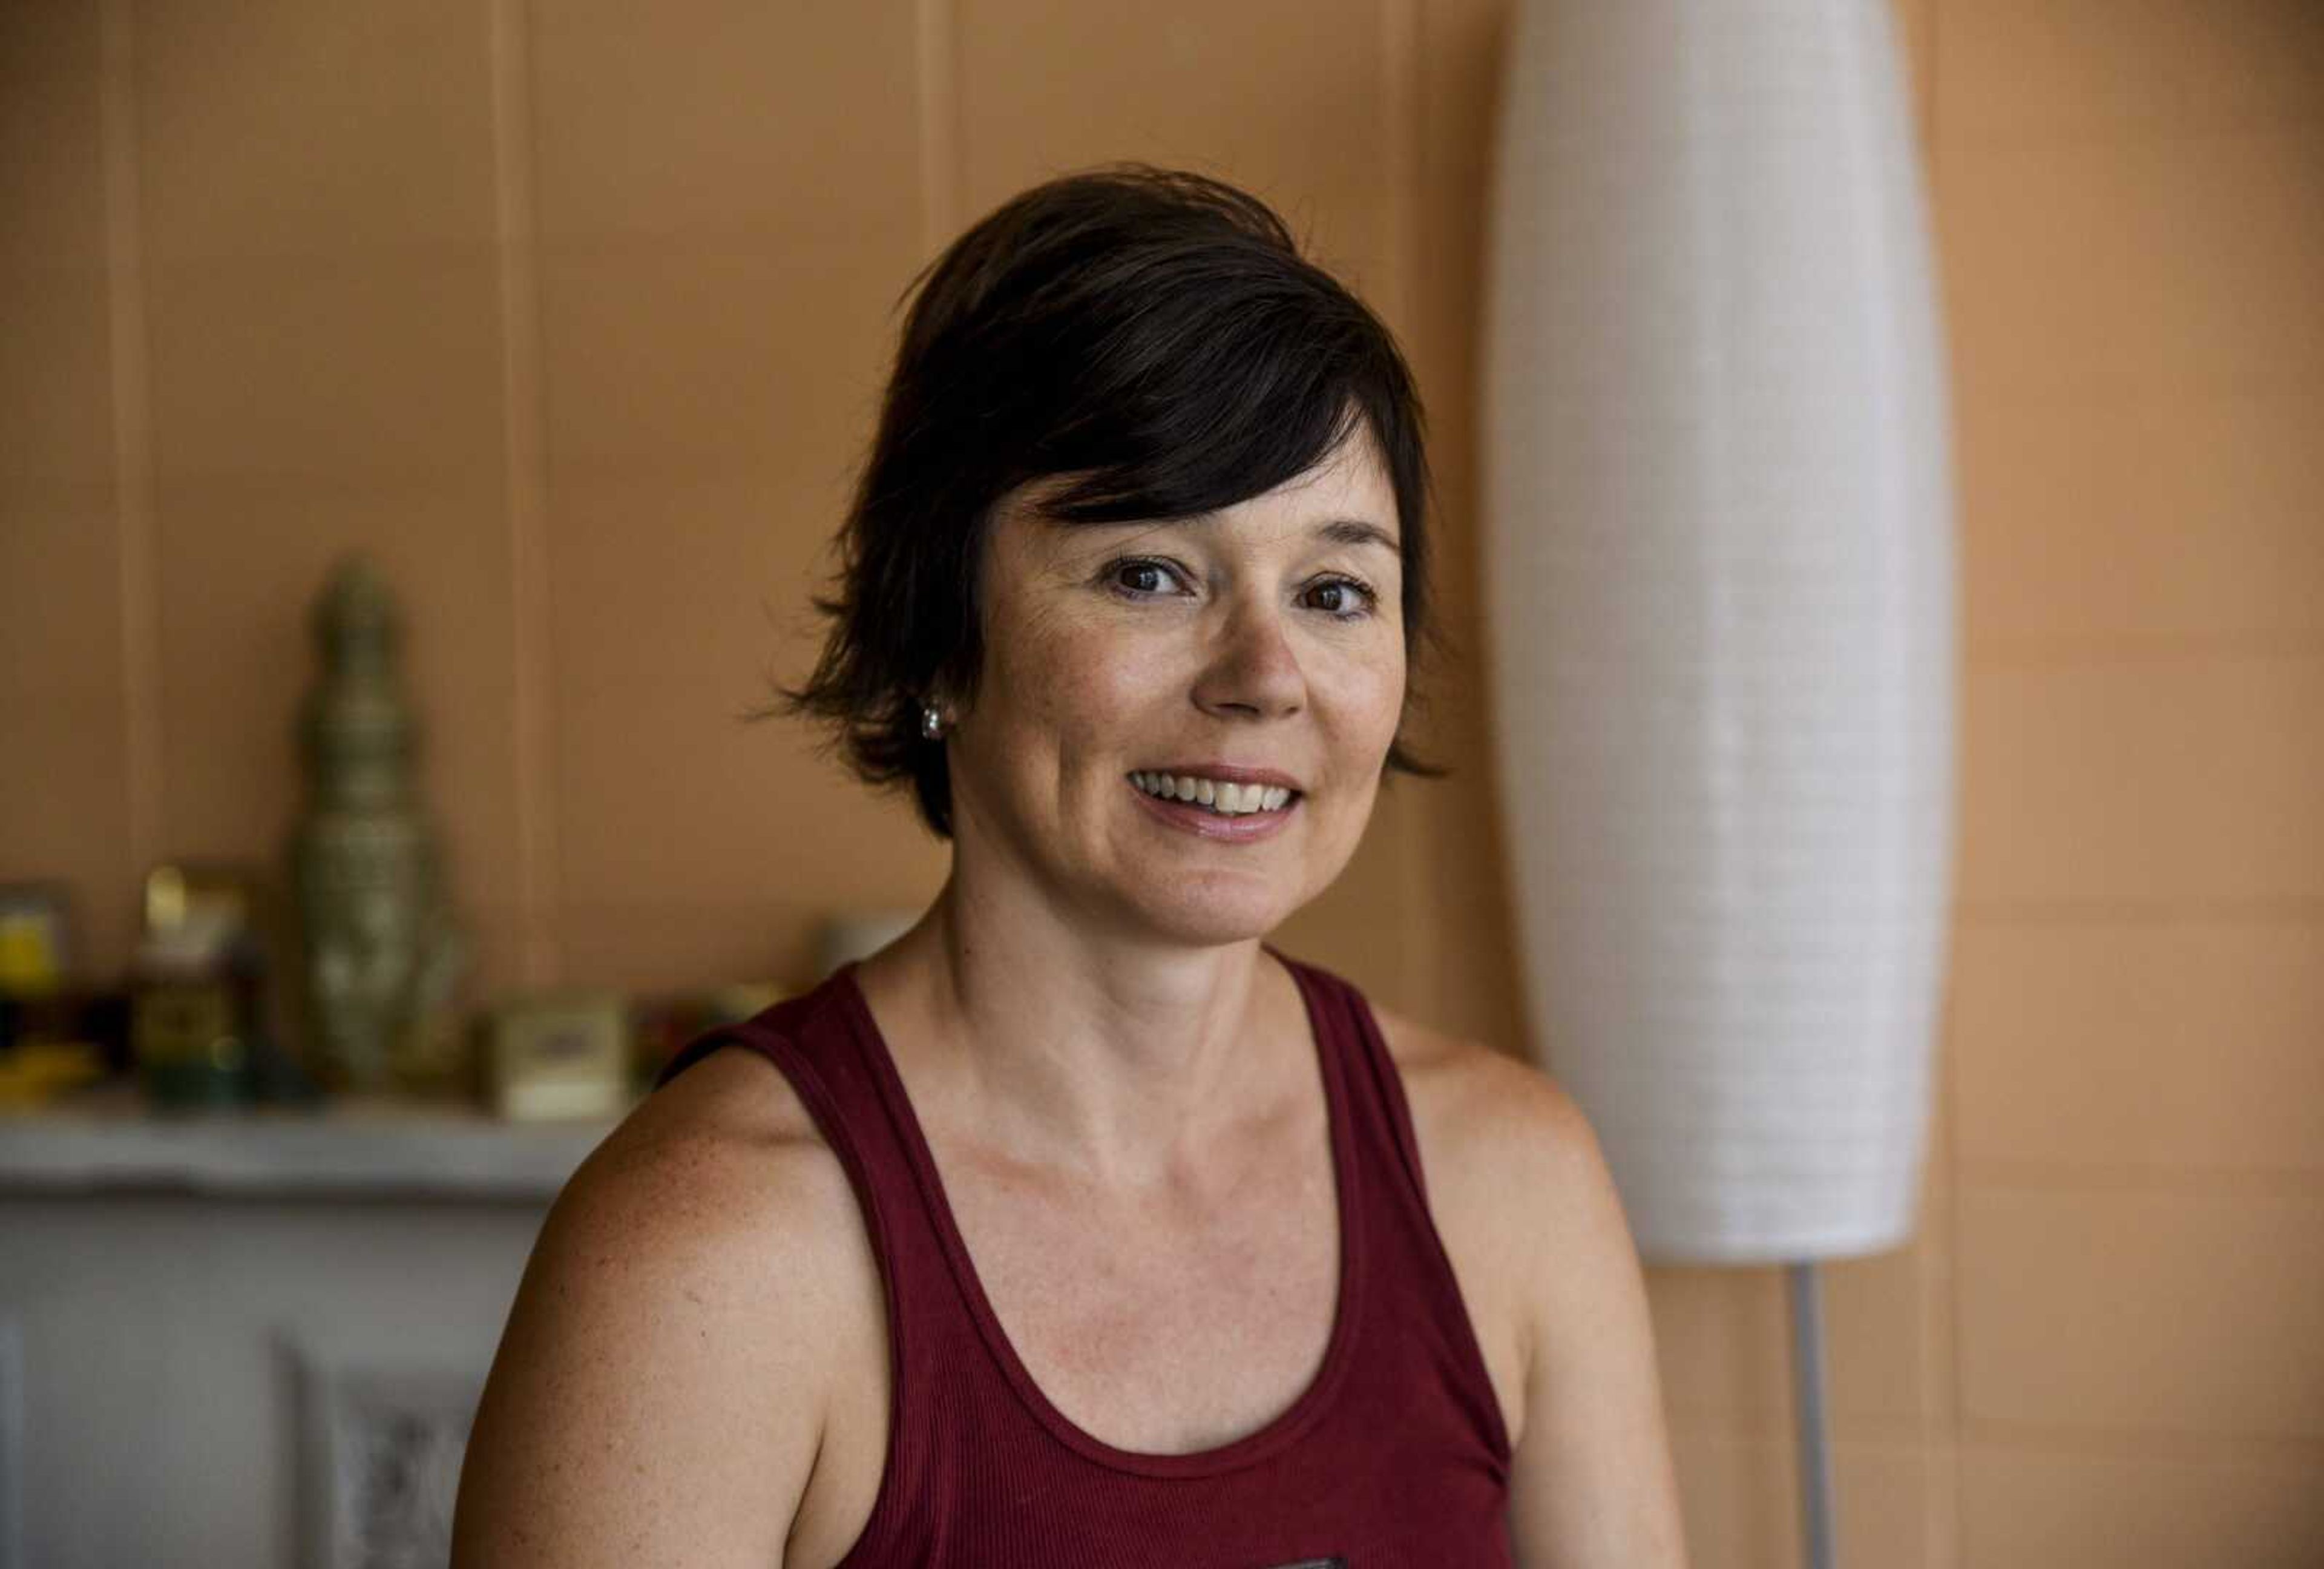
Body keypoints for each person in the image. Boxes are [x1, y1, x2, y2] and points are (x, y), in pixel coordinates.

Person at [450, 165, 1687, 1567]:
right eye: (1150, 573)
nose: (1267, 678)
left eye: (1336, 590)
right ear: (931, 637)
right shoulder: (709, 1261)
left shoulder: (1514, 1182)